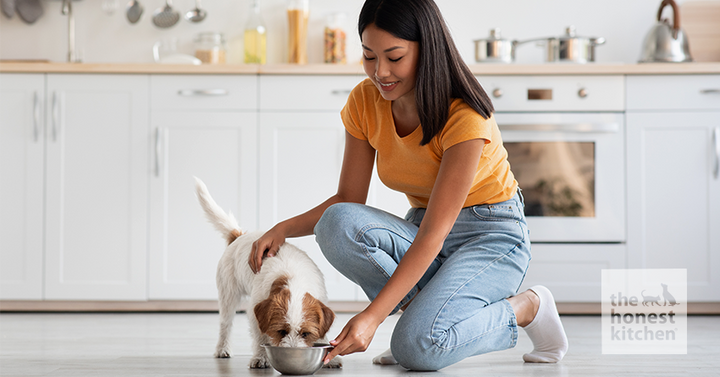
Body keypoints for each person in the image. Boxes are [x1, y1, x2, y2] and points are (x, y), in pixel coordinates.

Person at [249, 0, 568, 371]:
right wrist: (283, 229)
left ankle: (527, 307)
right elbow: (348, 200)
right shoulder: (365, 102)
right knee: (336, 223)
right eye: (369, 56)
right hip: (422, 225)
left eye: (394, 57)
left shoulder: (464, 114)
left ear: (426, 49)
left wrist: (372, 317)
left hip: (490, 236)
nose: (379, 72)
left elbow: (434, 235)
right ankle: (426, 324)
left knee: (417, 349)